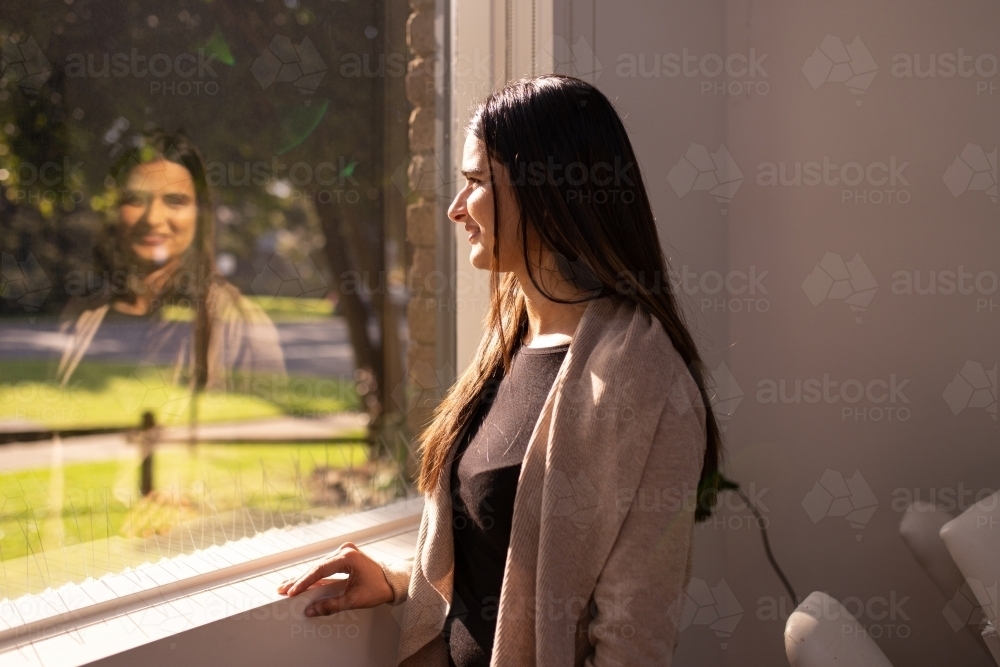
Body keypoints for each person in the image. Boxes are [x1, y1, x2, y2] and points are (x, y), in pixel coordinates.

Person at [278, 75, 725, 666]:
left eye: (474, 184)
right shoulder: (508, 342)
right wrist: (400, 579)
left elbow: (632, 644)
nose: (454, 209)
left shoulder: (647, 387)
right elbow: (507, 570)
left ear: (547, 189)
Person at [56, 130, 285, 396]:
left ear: (200, 215)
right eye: (136, 199)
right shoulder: (84, 319)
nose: (153, 218)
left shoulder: (242, 329)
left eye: (175, 201)